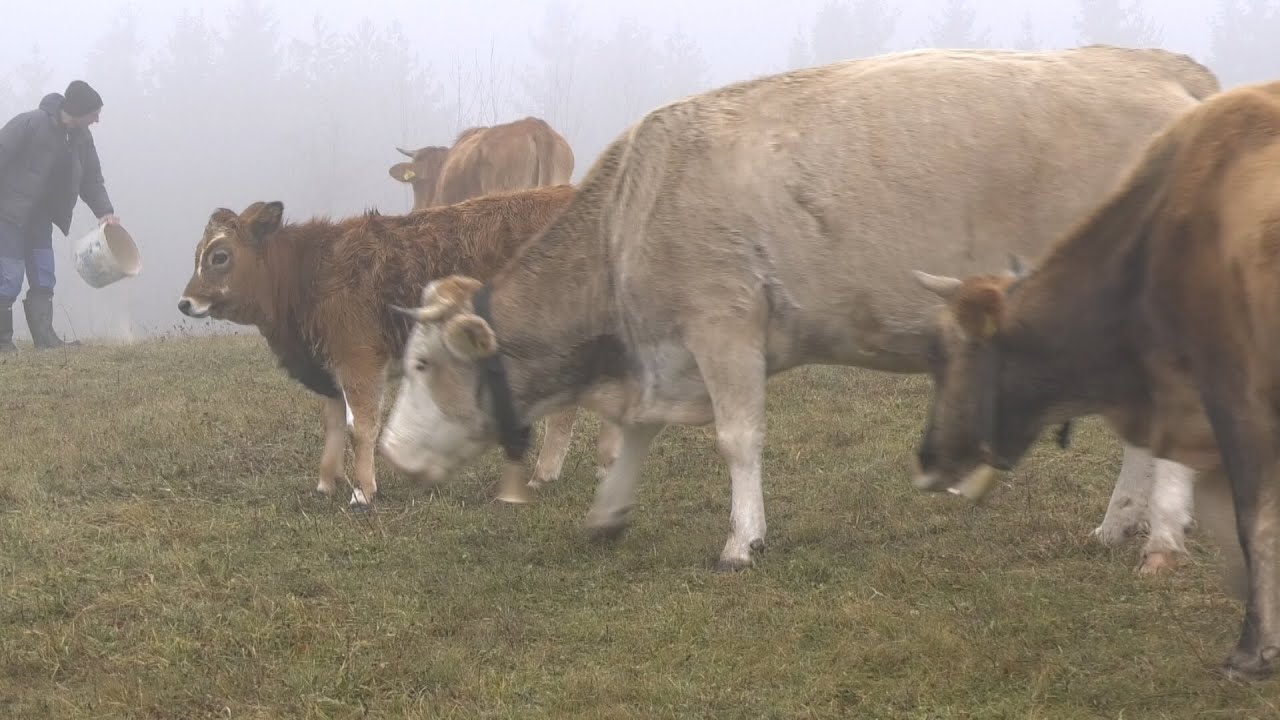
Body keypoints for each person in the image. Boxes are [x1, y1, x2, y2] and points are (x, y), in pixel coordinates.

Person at [0, 80, 119, 352]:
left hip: (40, 218)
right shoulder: (29, 123)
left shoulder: (82, 138)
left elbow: (91, 179)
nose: (97, 119)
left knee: (44, 274)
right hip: (8, 214)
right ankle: (2, 342)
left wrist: (106, 212)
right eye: (94, 114)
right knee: (9, 276)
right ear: (78, 111)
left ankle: (46, 341)